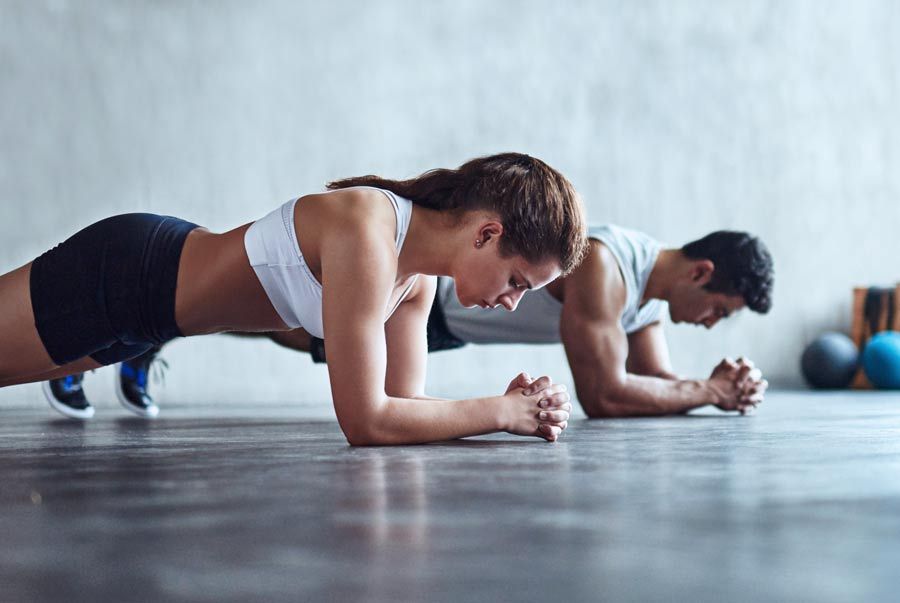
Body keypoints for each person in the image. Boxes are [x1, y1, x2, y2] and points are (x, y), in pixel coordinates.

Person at [2, 153, 588, 444]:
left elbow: (403, 407)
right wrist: (500, 412)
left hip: (145, 323)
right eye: (517, 281)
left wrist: (505, 410)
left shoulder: (418, 281)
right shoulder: (367, 231)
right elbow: (366, 421)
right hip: (129, 272)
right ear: (486, 234)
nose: (513, 303)